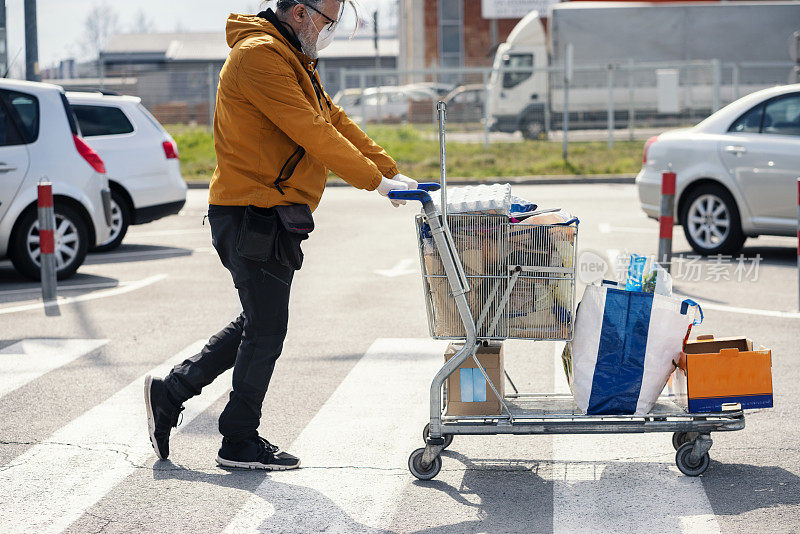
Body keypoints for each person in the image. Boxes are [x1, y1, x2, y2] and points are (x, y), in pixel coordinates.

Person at [143, 0, 418, 470]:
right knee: (267, 328)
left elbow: (333, 120)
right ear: (299, 14)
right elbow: (312, 132)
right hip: (250, 211)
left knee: (256, 322)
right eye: (327, 21)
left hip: (268, 210)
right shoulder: (259, 57)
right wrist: (377, 183)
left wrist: (392, 172)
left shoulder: (291, 58)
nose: (329, 30)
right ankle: (237, 440)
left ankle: (172, 391)